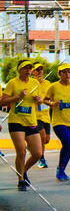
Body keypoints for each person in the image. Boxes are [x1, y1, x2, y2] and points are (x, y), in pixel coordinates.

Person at [0, 58, 43, 189]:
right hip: (16, 121)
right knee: (22, 151)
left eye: (30, 68)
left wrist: (39, 100)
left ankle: (23, 171)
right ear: (19, 70)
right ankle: (21, 180)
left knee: (37, 153)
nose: (28, 70)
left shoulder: (35, 83)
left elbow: (39, 102)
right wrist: (18, 97)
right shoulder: (12, 83)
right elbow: (2, 101)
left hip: (31, 121)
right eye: (25, 68)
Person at [46, 63, 70, 181]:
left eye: (69, 72)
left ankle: (61, 169)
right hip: (58, 121)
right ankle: (60, 170)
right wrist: (52, 103)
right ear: (59, 74)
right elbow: (45, 100)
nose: (67, 74)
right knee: (67, 144)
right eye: (64, 72)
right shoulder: (53, 86)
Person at [32, 62, 52, 168]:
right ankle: (41, 159)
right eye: (37, 70)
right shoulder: (31, 83)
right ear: (33, 72)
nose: (39, 71)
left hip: (46, 116)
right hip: (36, 115)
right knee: (42, 136)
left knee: (46, 139)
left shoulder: (47, 83)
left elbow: (51, 96)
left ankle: (32, 146)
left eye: (41, 69)